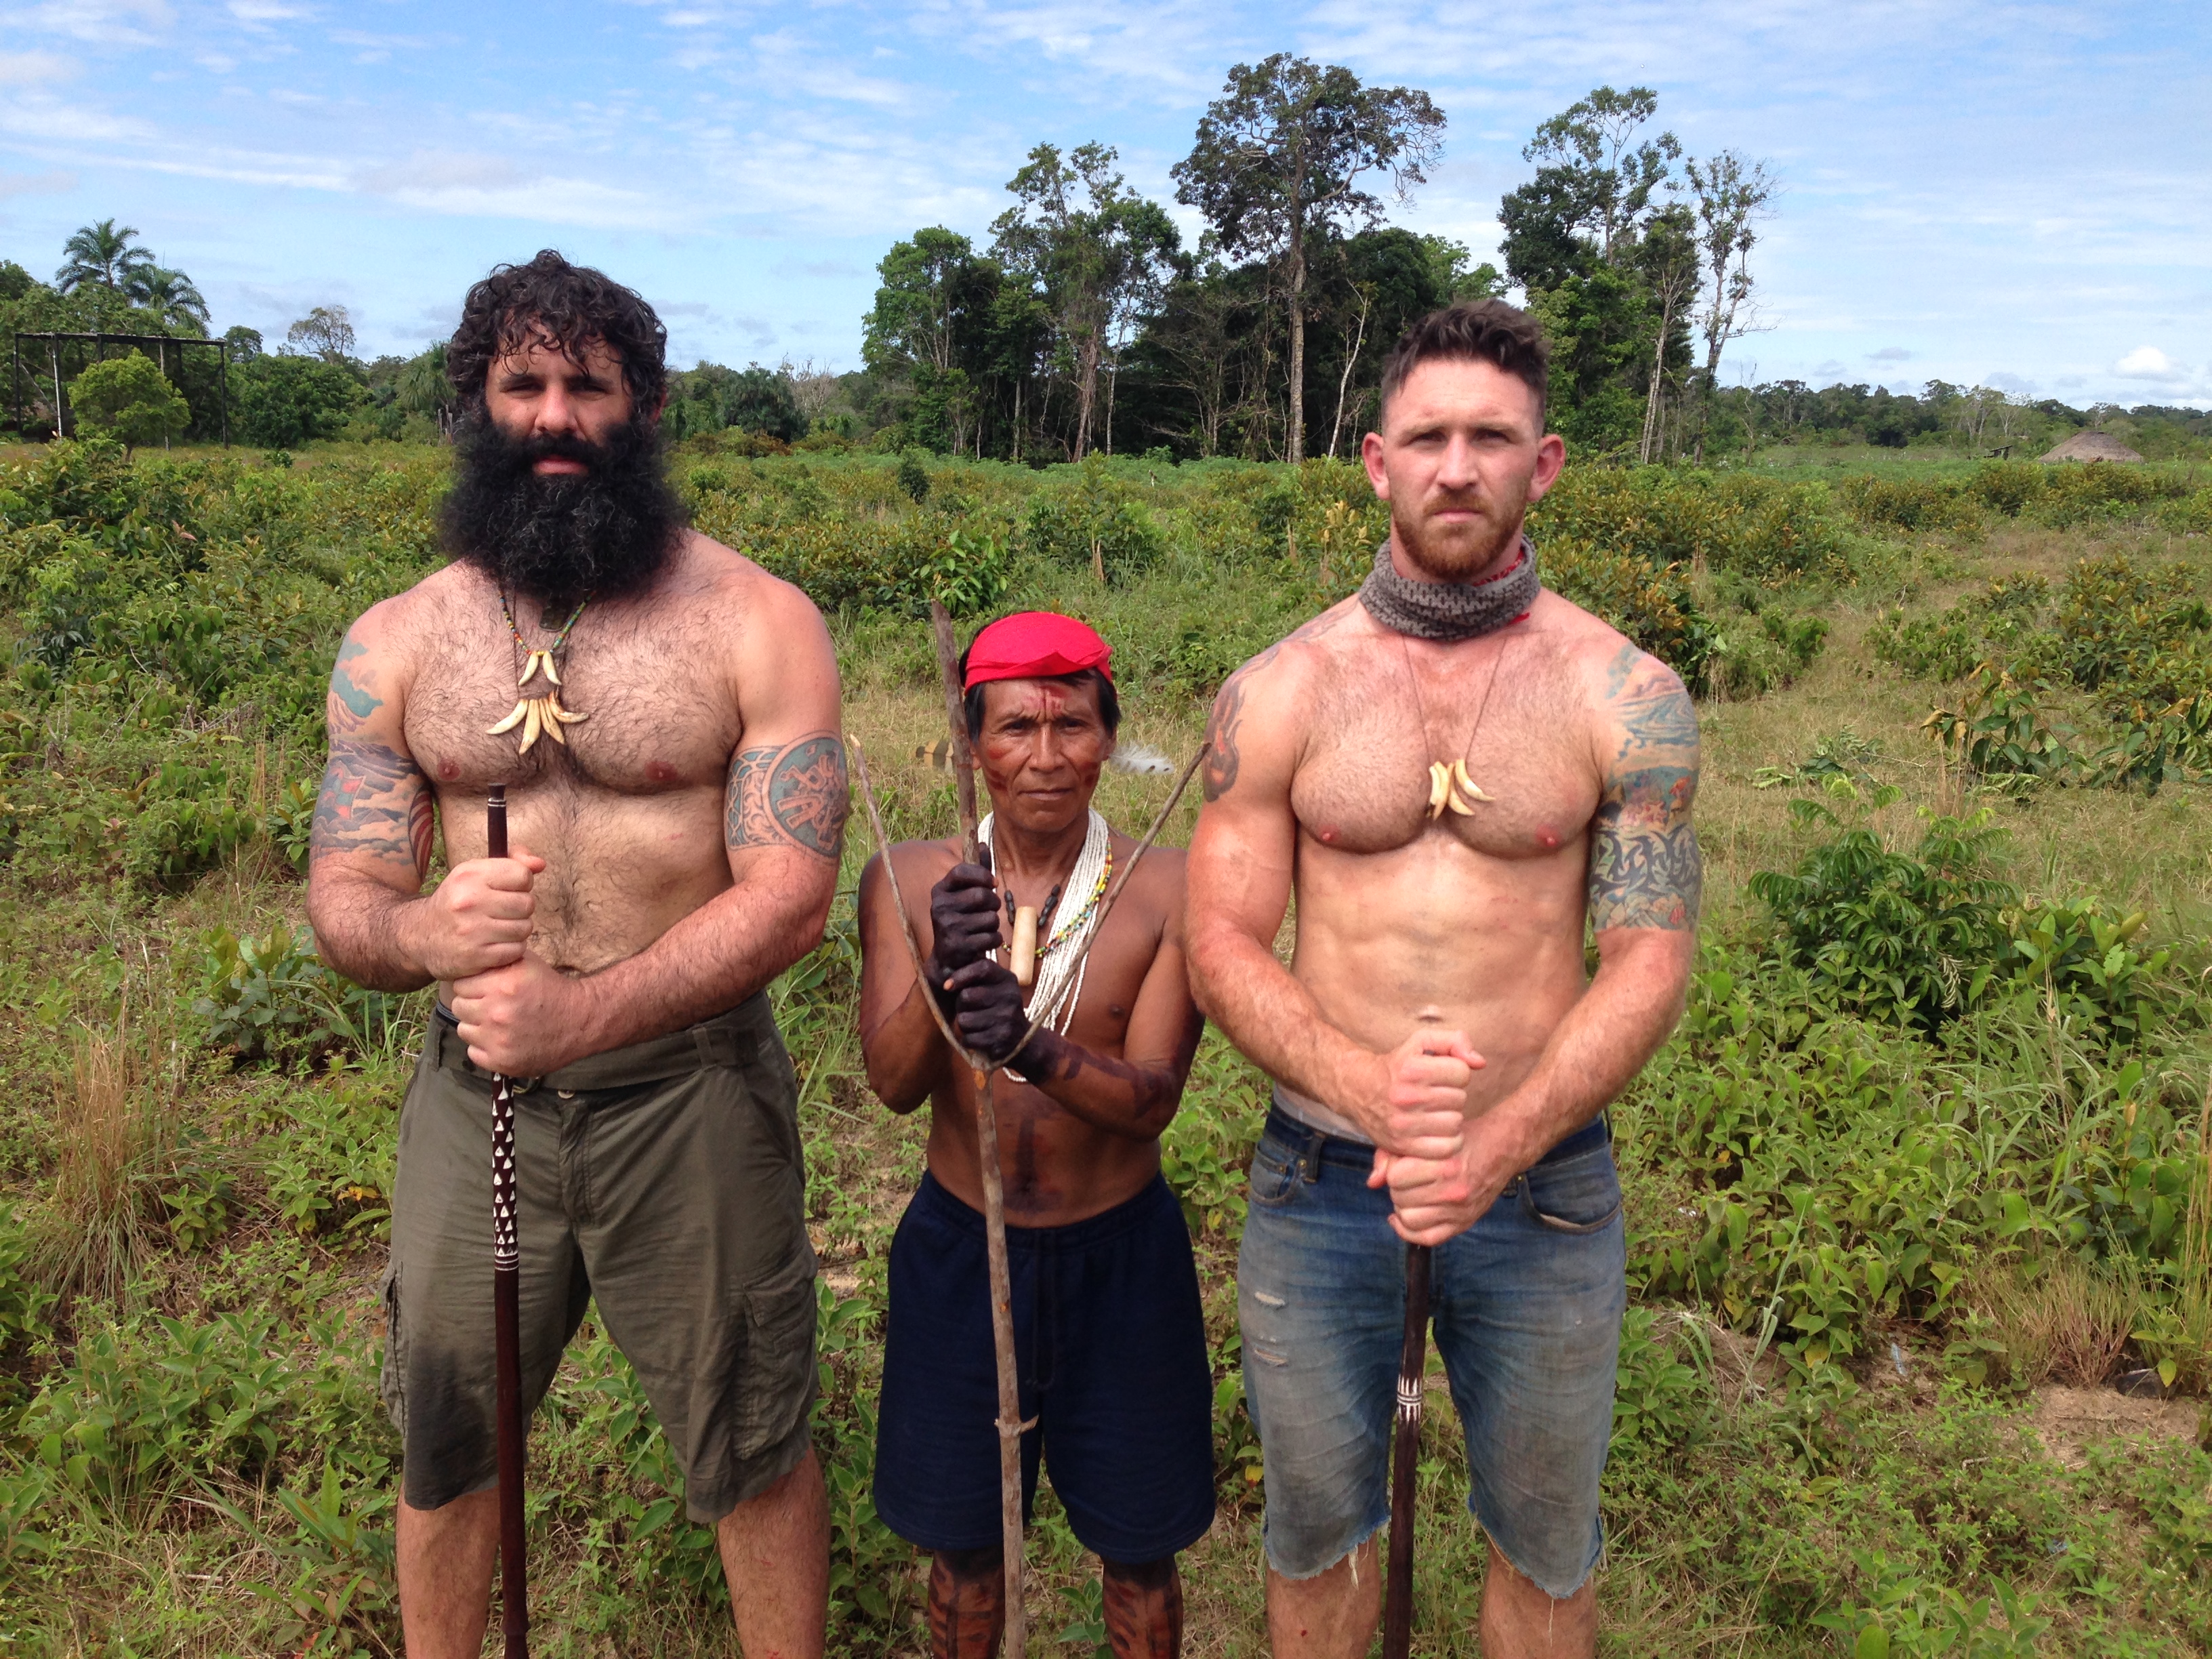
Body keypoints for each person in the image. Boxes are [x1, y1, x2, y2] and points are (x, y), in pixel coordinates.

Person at [305, 250, 846, 1659]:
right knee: (448, 1429)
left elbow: (790, 895)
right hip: (474, 1097)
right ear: (478, 404)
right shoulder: (395, 645)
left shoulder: (757, 621)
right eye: (522, 384)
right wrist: (422, 931)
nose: (554, 414)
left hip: (691, 1093)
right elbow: (346, 894)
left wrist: (580, 1016)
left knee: (752, 1430)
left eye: (586, 387)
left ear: (646, 406)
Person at [1183, 300, 1700, 1659]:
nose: (1458, 467)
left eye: (1493, 437)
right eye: (1428, 438)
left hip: (1543, 1190)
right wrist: (1368, 1089)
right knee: (1318, 1536)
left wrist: (1498, 1139)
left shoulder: (1622, 690)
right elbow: (1222, 939)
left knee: (1543, 1543)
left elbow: (1649, 958)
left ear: (1548, 463)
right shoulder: (1280, 688)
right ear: (1374, 460)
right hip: (1323, 1181)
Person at [857, 611, 1214, 1659]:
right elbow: (887, 1084)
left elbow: (1152, 1100)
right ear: (972, 745)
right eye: (1016, 729)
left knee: (1142, 1552)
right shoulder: (912, 880)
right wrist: (943, 978)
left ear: (1111, 737)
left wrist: (1028, 1046)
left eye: (1073, 726)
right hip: (962, 1246)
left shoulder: (1165, 887)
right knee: (964, 1553)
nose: (1046, 758)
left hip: (1121, 1257)